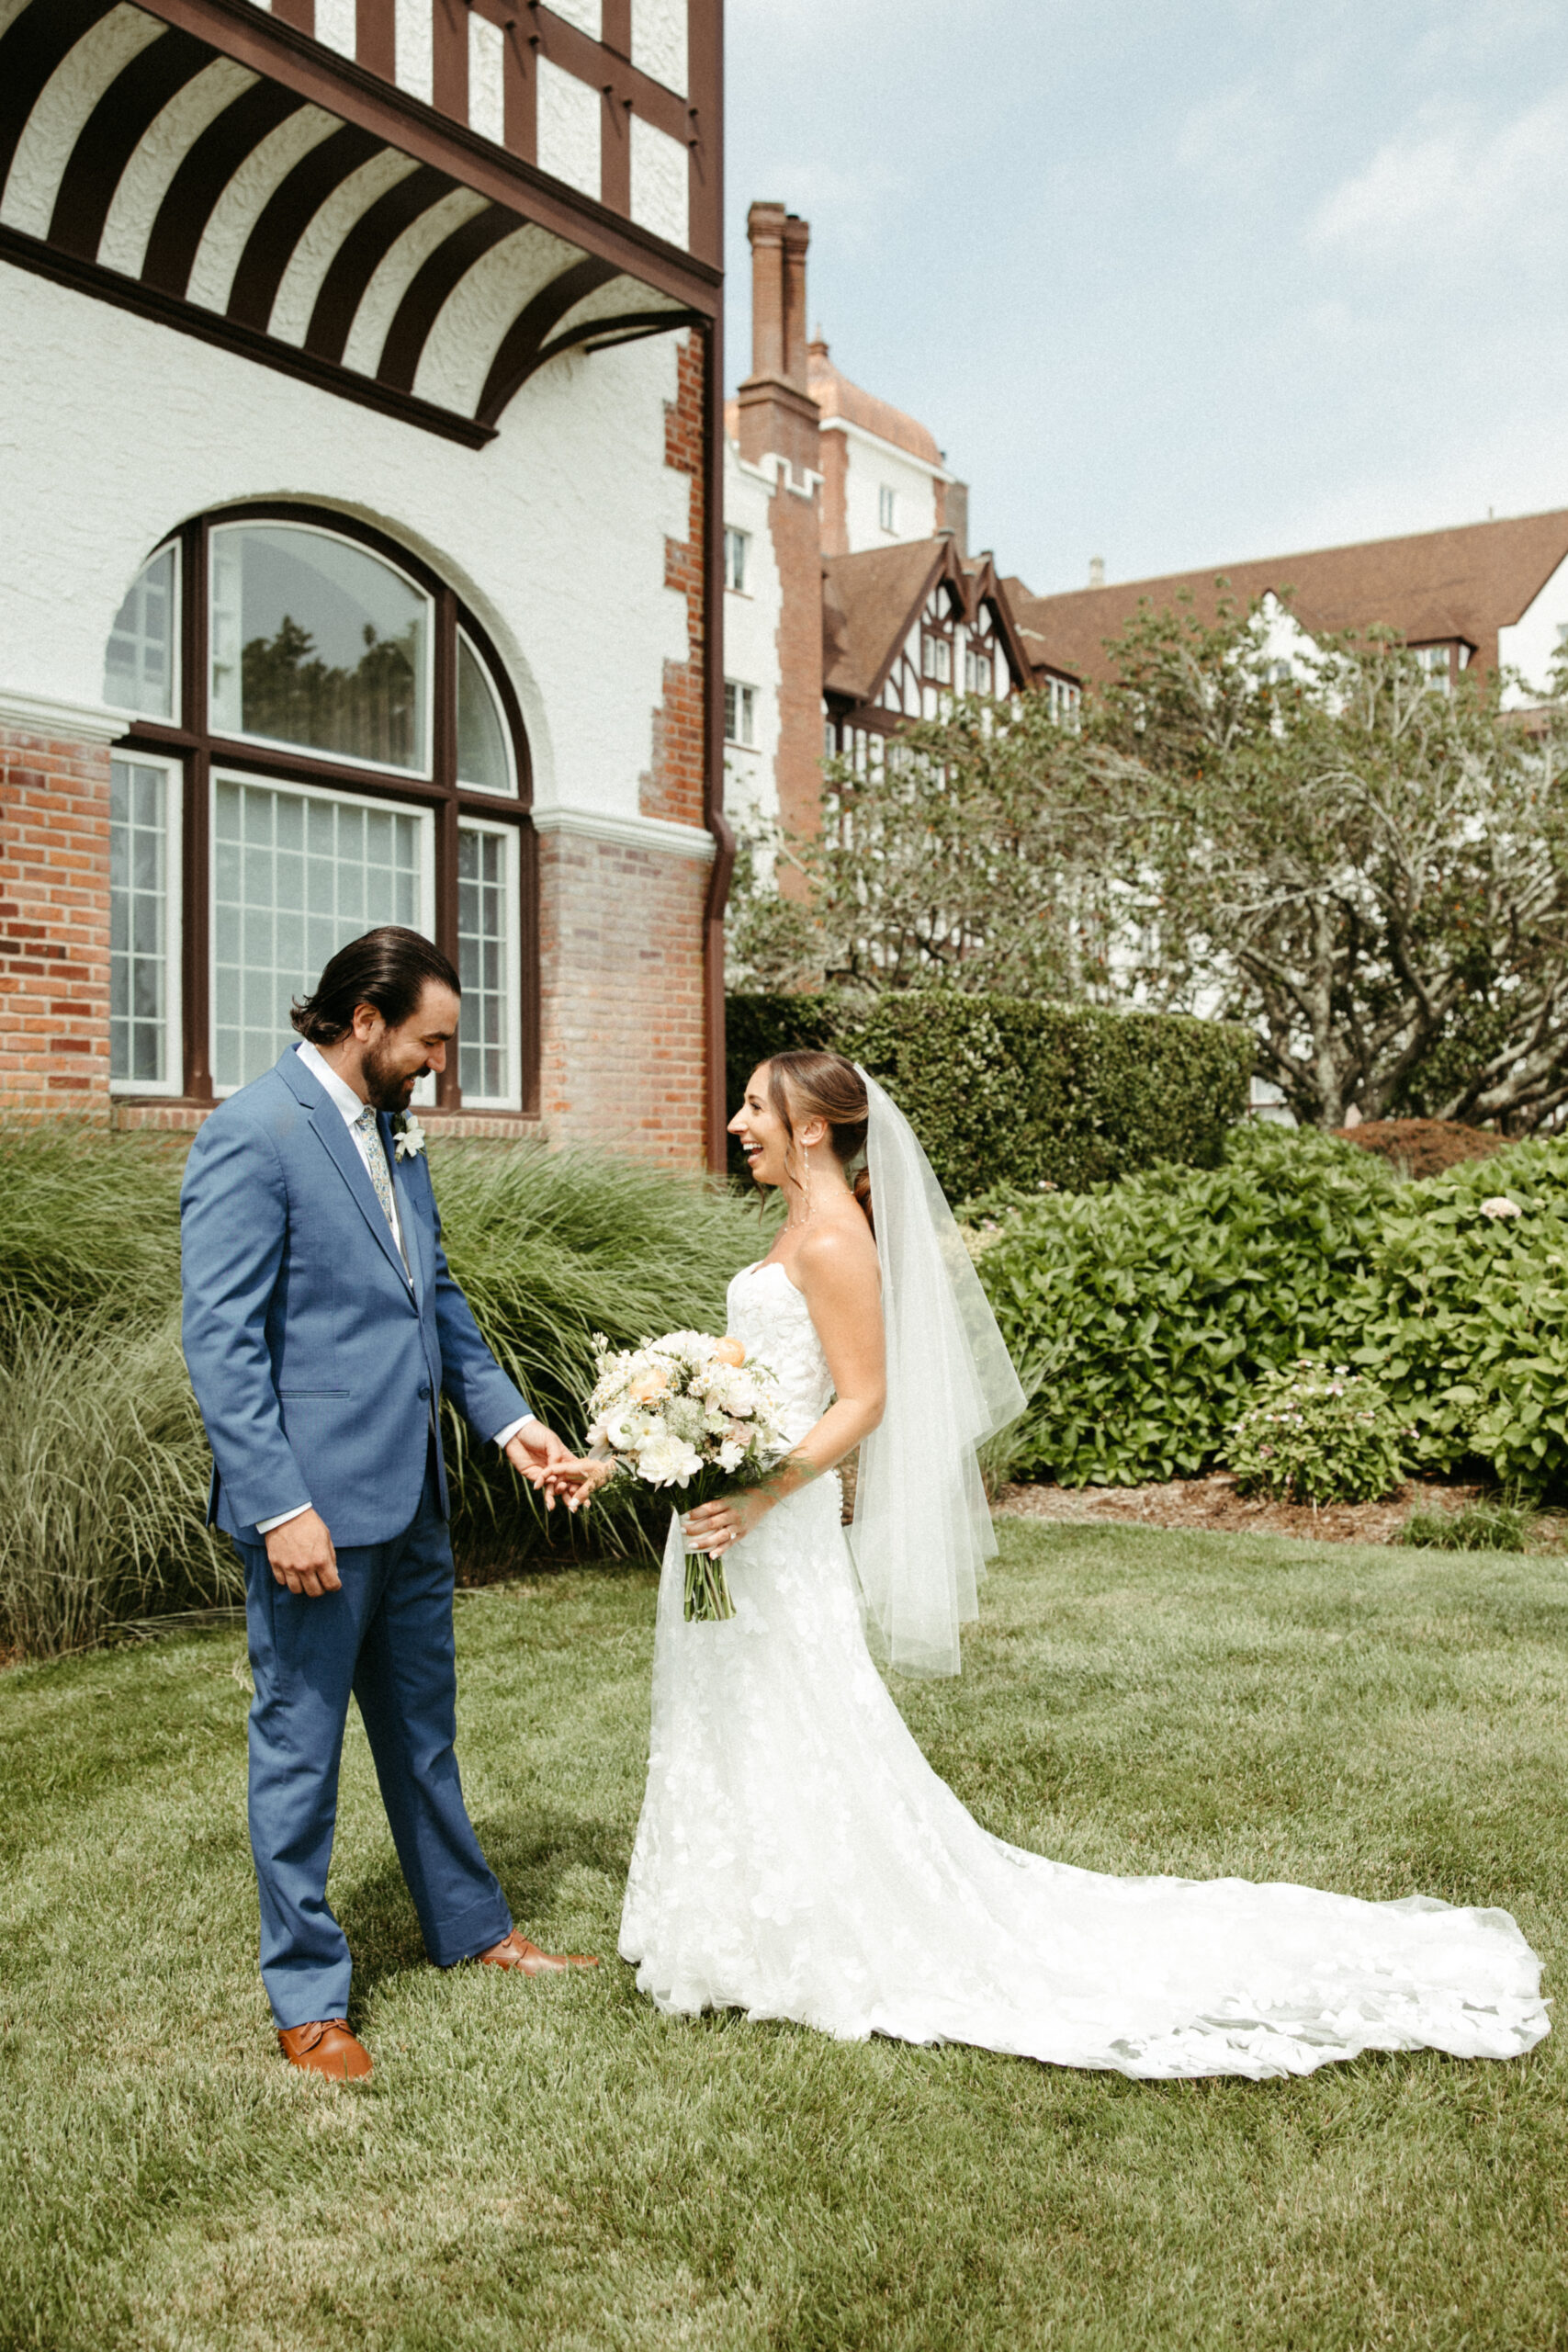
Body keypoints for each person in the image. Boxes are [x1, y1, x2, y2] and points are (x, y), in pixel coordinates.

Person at [566, 1050, 1549, 2077]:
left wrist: (761, 1497)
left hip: (775, 1521)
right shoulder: (794, 1227)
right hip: (732, 1519)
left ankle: (800, 1928)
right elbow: (744, 1386)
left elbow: (862, 1399)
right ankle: (725, 1924)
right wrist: (638, 1449)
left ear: (813, 1126)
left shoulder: (835, 1240)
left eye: (755, 1107)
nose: (735, 1123)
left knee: (796, 1706)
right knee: (732, 1705)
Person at [181, 925, 593, 2083]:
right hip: (311, 1512)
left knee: (424, 1736)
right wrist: (277, 1506)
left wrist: (510, 1426)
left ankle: (471, 1929)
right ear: (364, 1021)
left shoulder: (395, 1133)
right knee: (299, 1752)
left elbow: (436, 1299)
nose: (439, 1065)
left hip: (413, 1497)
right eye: (430, 1041)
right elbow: (221, 1342)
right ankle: (308, 1999)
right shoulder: (251, 1134)